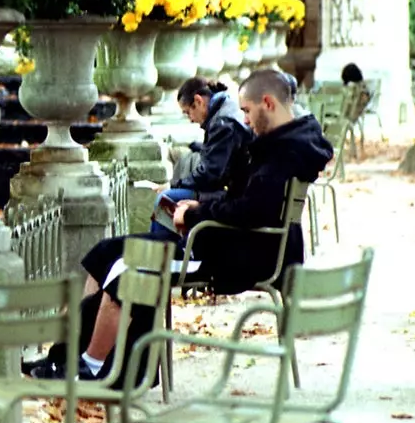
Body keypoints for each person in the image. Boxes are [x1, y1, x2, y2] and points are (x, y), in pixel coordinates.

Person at [29, 69, 331, 382]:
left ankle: (93, 365)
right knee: (103, 253)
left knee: (127, 268)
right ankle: (68, 354)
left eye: (247, 111)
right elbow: (249, 203)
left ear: (267, 103)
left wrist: (193, 216)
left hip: (236, 254)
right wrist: (202, 208)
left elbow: (251, 211)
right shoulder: (282, 143)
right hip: (227, 241)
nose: (245, 120)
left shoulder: (284, 152)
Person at [148, 77, 254, 241]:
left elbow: (210, 174)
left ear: (198, 101)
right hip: (237, 189)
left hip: (234, 196)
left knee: (166, 199)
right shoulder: (225, 110)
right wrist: (196, 146)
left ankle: (162, 254)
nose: (190, 118)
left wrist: (172, 184)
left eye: (188, 112)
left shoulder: (223, 122)